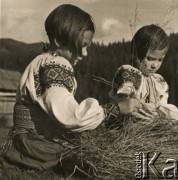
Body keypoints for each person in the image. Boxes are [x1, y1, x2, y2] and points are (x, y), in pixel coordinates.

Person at [0, 4, 142, 177]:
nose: (84, 53)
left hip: (22, 142)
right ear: (59, 41)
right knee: (99, 165)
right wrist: (116, 109)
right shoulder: (56, 65)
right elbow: (71, 117)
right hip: (38, 147)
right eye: (82, 45)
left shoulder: (41, 61)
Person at [109, 24, 178, 120]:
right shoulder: (129, 73)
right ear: (136, 54)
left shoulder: (159, 80)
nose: (155, 65)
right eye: (150, 59)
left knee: (173, 111)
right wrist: (139, 104)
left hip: (152, 120)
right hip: (128, 119)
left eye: (160, 60)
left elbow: (163, 103)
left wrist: (158, 110)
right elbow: (123, 96)